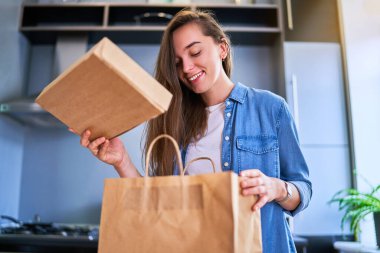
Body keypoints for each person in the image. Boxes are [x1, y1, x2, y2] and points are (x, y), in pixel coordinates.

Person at [75, 9, 312, 253]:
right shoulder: (175, 123)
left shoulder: (270, 108)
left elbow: (303, 189)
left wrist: (276, 188)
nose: (187, 67)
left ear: (222, 48)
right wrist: (121, 160)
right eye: (177, 63)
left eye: (195, 52)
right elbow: (157, 206)